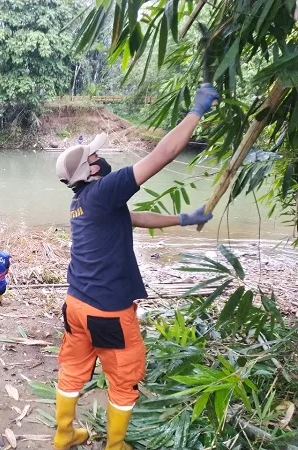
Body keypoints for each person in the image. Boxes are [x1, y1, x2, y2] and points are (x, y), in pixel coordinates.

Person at [52, 84, 219, 450]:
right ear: (90, 170)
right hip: (108, 311)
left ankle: (63, 435)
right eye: (95, 156)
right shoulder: (105, 189)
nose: (100, 157)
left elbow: (135, 218)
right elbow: (163, 154)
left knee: (73, 369)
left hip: (76, 304)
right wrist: (196, 111)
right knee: (124, 379)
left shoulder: (82, 202)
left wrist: (182, 219)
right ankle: (115, 446)